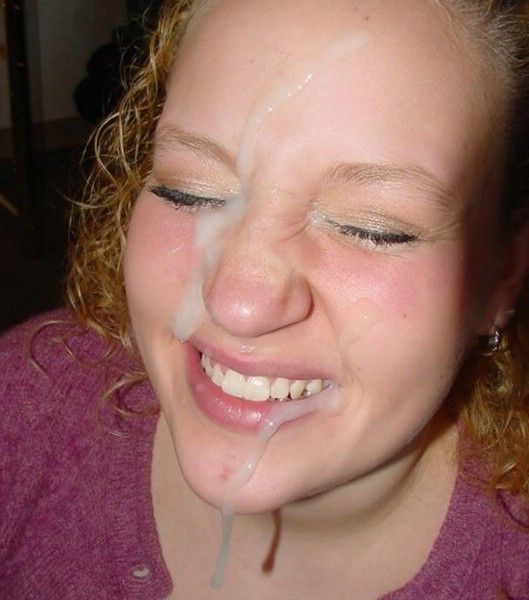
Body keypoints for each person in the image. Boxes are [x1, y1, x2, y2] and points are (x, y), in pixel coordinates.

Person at [2, 0, 529, 597]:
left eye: (370, 228)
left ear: (502, 275)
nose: (239, 304)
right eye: (191, 191)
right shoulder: (21, 409)